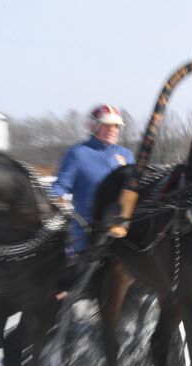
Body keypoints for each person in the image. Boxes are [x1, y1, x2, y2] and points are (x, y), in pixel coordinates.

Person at [53, 104, 135, 299]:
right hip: (90, 233)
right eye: (106, 126)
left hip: (124, 232)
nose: (112, 130)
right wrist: (53, 200)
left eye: (116, 126)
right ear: (93, 127)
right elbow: (60, 186)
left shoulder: (126, 155)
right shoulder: (78, 154)